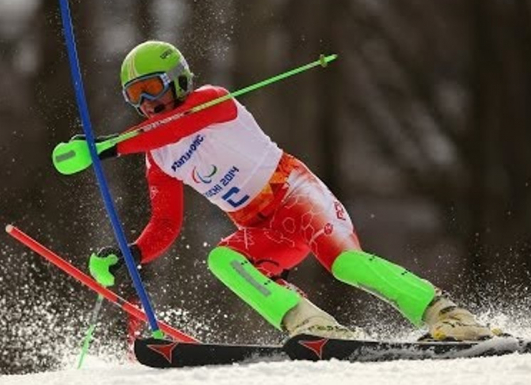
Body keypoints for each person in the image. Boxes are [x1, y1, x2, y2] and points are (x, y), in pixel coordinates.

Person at [85, 41, 496, 342]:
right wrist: (130, 253)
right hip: (262, 228)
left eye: (153, 88)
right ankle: (314, 326)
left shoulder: (210, 101)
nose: (148, 102)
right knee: (223, 259)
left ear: (177, 80)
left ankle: (449, 314)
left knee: (346, 265)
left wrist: (103, 147)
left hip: (295, 195)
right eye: (136, 96)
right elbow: (166, 222)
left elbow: (174, 126)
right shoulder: (154, 154)